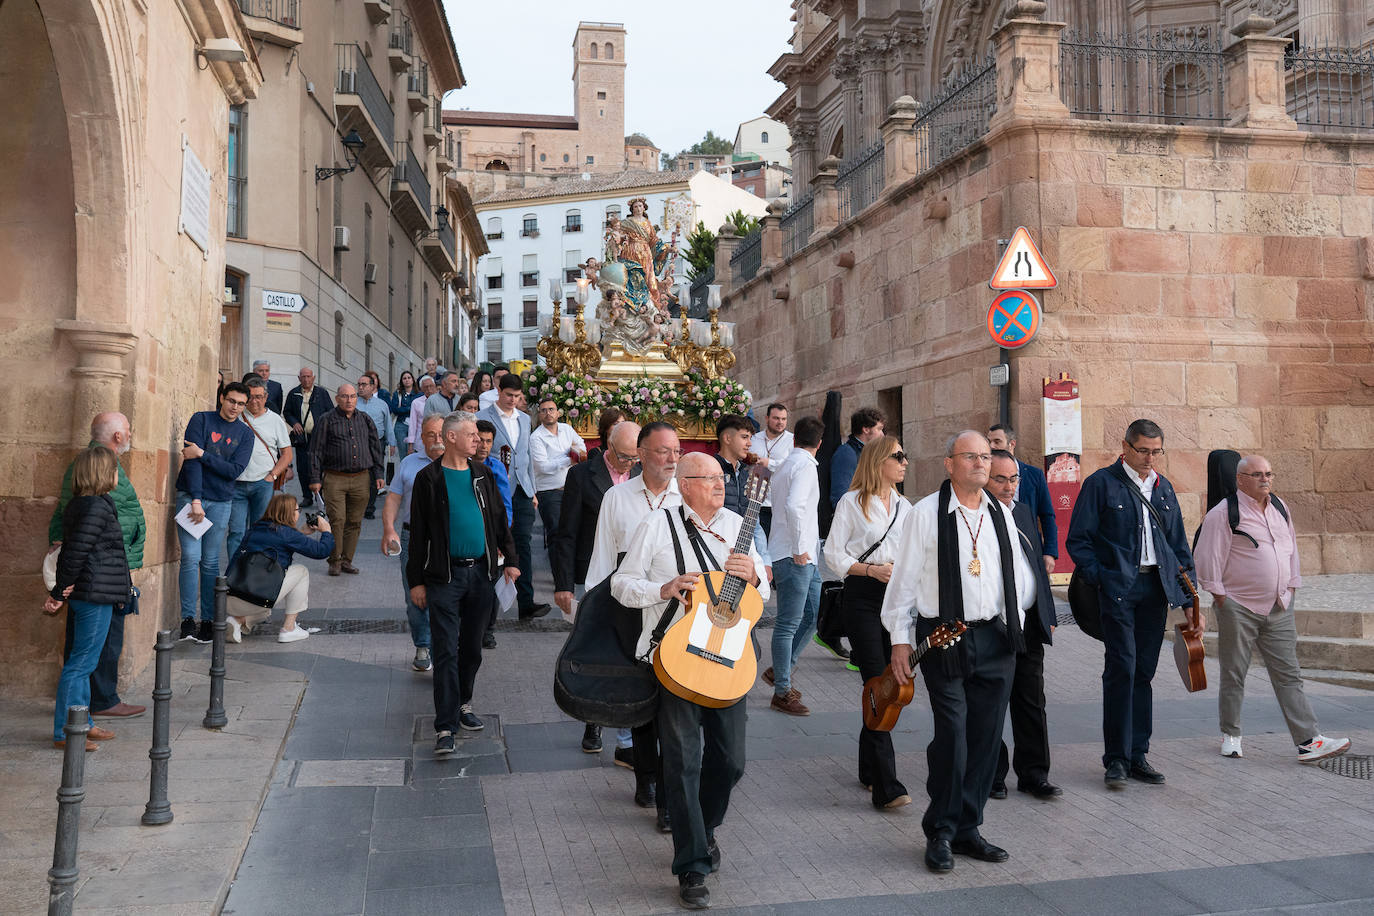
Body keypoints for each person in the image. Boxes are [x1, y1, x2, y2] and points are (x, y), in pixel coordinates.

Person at [611, 452, 769, 910]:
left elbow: (764, 589)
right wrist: (662, 589)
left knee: (732, 761)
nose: (721, 484)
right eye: (710, 478)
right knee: (681, 763)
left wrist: (755, 576)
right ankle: (692, 865)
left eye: (723, 478)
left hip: (728, 660)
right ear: (684, 483)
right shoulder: (657, 526)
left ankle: (703, 825)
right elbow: (623, 584)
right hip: (676, 662)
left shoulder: (739, 524)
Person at [881, 431, 1036, 873]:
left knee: (987, 738)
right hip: (944, 636)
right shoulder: (925, 514)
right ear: (949, 464)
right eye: (970, 456)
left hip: (995, 639)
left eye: (985, 457)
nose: (980, 464)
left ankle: (969, 828)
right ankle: (942, 830)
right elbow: (903, 581)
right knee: (953, 734)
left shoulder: (1002, 514)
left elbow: (1021, 580)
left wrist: (1013, 625)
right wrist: (899, 640)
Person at [1066, 418, 1197, 789]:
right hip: (1118, 591)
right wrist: (1103, 578)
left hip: (1155, 591)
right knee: (1121, 668)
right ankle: (1117, 759)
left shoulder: (1164, 488)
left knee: (1144, 673)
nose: (1149, 458)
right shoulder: (1100, 484)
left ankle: (1138, 754)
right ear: (1125, 447)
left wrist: (1188, 597)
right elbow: (1079, 541)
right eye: (1143, 450)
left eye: (1156, 451)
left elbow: (1178, 547)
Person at [1194, 454, 1351, 764]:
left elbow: (1290, 548)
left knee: (1289, 675)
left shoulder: (1280, 508)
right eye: (1257, 474)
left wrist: (1291, 586)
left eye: (1268, 474)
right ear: (1240, 479)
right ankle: (1232, 735)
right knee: (1234, 673)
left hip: (1279, 606)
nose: (1265, 479)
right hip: (1239, 607)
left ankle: (1308, 741)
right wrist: (1221, 596)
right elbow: (1206, 558)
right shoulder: (1224, 514)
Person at [406, 413, 520, 752]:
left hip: (482, 575)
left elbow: (499, 520)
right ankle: (445, 726)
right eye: (471, 435)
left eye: (480, 436)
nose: (479, 440)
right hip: (444, 576)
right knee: (445, 651)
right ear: (451, 437)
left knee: (471, 648)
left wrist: (511, 561)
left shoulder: (482, 474)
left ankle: (463, 703)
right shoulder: (430, 478)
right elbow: (419, 535)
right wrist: (416, 582)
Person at [587, 421, 682, 817]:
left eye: (676, 452)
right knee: (642, 700)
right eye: (663, 451)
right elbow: (603, 558)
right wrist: (592, 615)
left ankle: (670, 785)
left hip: (677, 612)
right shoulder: (617, 497)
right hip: (630, 608)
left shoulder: (685, 497)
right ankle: (648, 778)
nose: (671, 459)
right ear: (641, 455)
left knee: (673, 702)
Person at [824, 435, 911, 810]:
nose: (905, 462)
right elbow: (831, 554)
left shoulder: (906, 506)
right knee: (878, 683)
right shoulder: (852, 502)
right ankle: (885, 785)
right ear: (879, 462)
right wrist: (871, 570)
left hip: (896, 600)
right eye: (898, 456)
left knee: (891, 681)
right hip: (861, 596)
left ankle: (867, 766)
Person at [48, 413, 146, 721]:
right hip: (98, 577)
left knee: (89, 651)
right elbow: (78, 544)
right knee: (88, 654)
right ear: (117, 436)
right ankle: (83, 715)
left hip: (104, 572)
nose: (130, 434)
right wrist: (58, 591)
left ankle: (83, 717)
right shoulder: (95, 477)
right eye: (127, 429)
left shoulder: (92, 482)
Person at [551, 419, 641, 754]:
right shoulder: (581, 476)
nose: (629, 465)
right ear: (607, 446)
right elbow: (566, 533)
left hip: (635, 578)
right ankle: (594, 721)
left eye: (635, 459)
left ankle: (630, 731)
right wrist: (563, 584)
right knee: (597, 649)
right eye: (623, 458)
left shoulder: (641, 473)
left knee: (631, 651)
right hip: (596, 574)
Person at [44, 446, 130, 751]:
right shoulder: (94, 507)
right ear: (101, 473)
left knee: (85, 663)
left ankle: (83, 723)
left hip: (96, 591)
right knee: (80, 665)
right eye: (114, 469)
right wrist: (58, 592)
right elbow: (75, 553)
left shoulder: (92, 504)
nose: (117, 474)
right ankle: (65, 732)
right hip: (93, 593)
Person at [986, 450, 1061, 800]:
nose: (1008, 486)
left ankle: (1034, 774)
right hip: (994, 623)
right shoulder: (977, 515)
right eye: (1000, 479)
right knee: (993, 701)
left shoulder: (1024, 512)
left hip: (1028, 622)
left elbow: (1036, 570)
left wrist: (1047, 614)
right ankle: (992, 774)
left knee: (1032, 700)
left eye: (1013, 479)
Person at [176, 381, 254, 642]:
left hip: (221, 502)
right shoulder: (201, 420)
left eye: (241, 404)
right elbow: (191, 462)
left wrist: (203, 454)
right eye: (231, 401)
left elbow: (234, 471)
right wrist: (196, 499)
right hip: (191, 497)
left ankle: (208, 620)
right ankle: (188, 619)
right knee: (189, 557)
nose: (235, 407)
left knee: (210, 562)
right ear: (222, 398)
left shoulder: (245, 434)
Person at [765, 415, 824, 716]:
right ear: (820, 443)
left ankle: (781, 670)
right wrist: (800, 548)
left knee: (813, 616)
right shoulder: (803, 466)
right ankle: (782, 691)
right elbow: (794, 506)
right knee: (788, 622)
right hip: (794, 554)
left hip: (804, 555)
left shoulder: (787, 463)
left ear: (794, 438)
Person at [479, 373, 547, 619]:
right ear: (499, 391)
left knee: (523, 545)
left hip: (523, 490)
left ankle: (526, 603)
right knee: (494, 545)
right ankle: (487, 609)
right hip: (494, 489)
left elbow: (526, 456)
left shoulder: (525, 419)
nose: (513, 400)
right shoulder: (481, 417)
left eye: (517, 396)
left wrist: (533, 491)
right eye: (509, 395)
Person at [226, 493, 334, 644]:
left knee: (266, 611)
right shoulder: (287, 534)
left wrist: (300, 533)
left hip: (230, 596)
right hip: (255, 599)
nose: (299, 514)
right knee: (301, 571)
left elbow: (276, 540)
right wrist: (326, 531)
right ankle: (289, 629)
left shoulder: (255, 528)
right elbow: (321, 551)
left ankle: (236, 621)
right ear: (289, 513)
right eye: (298, 511)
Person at [383, 416, 446, 672]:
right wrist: (389, 529)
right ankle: (423, 644)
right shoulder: (409, 463)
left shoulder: (460, 464)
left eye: (441, 434)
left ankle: (446, 644)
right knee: (416, 595)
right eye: (431, 435)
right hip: (413, 538)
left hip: (447, 540)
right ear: (421, 438)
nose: (437, 440)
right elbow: (394, 498)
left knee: (447, 594)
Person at [309, 384, 385, 576]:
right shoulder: (326, 420)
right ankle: (334, 560)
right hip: (335, 478)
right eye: (345, 397)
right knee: (337, 520)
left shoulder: (365, 419)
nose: (349, 400)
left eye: (352, 396)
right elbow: (315, 451)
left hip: (361, 478)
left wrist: (378, 474)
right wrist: (315, 478)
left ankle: (347, 560)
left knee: (354, 521)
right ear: (337, 399)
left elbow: (376, 448)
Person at [228, 377, 294, 559]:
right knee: (236, 532)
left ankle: (252, 572)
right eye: (251, 396)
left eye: (259, 396)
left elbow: (287, 454)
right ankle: (235, 571)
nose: (254, 401)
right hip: (236, 483)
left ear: (266, 397)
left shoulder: (275, 420)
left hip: (262, 483)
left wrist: (272, 476)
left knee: (259, 531)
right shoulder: (236, 416)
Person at [988, 424, 1058, 577]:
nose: (991, 446)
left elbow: (1047, 515)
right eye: (989, 442)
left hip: (1029, 549)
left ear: (1012, 444)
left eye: (997, 441)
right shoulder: (984, 473)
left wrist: (1050, 552)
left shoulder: (1034, 475)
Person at [529, 396, 587, 552]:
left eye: (551, 409)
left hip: (570, 488)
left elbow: (581, 446)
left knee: (574, 531)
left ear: (558, 413)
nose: (548, 413)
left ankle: (568, 572)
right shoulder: (536, 437)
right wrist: (569, 458)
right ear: (539, 415)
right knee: (556, 533)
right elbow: (543, 467)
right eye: (544, 410)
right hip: (549, 492)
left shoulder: (566, 429)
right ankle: (558, 573)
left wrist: (573, 454)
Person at [283, 367, 333, 495]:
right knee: (303, 467)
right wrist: (294, 423)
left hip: (319, 437)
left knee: (320, 466)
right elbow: (287, 412)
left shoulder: (322, 393)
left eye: (308, 376)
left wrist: (324, 427)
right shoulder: (293, 393)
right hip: (301, 438)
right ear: (299, 378)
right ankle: (307, 496)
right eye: (303, 377)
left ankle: (320, 495)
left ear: (313, 378)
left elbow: (331, 412)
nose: (306, 379)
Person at [749, 402, 793, 539]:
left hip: (779, 502)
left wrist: (770, 463)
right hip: (756, 500)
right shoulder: (754, 439)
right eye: (776, 418)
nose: (780, 422)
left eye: (783, 419)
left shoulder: (792, 440)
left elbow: (791, 466)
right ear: (767, 418)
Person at [828, 407, 886, 509]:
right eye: (879, 429)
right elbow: (840, 498)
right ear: (866, 429)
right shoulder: (846, 453)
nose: (883, 435)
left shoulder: (867, 453)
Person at [357, 372, 396, 520]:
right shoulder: (354, 403)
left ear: (372, 387)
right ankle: (358, 506)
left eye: (364, 385)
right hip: (357, 443)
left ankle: (369, 508)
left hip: (377, 443)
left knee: (375, 475)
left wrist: (391, 443)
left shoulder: (382, 405)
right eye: (359, 385)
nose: (360, 388)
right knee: (360, 475)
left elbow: (387, 425)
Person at [389, 370, 421, 457]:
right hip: (401, 425)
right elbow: (394, 409)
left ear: (413, 380)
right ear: (401, 381)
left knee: (415, 451)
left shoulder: (419, 394)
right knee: (403, 453)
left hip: (416, 425)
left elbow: (419, 409)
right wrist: (410, 408)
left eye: (409, 378)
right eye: (404, 378)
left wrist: (404, 409)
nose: (407, 380)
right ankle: (404, 470)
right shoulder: (397, 394)